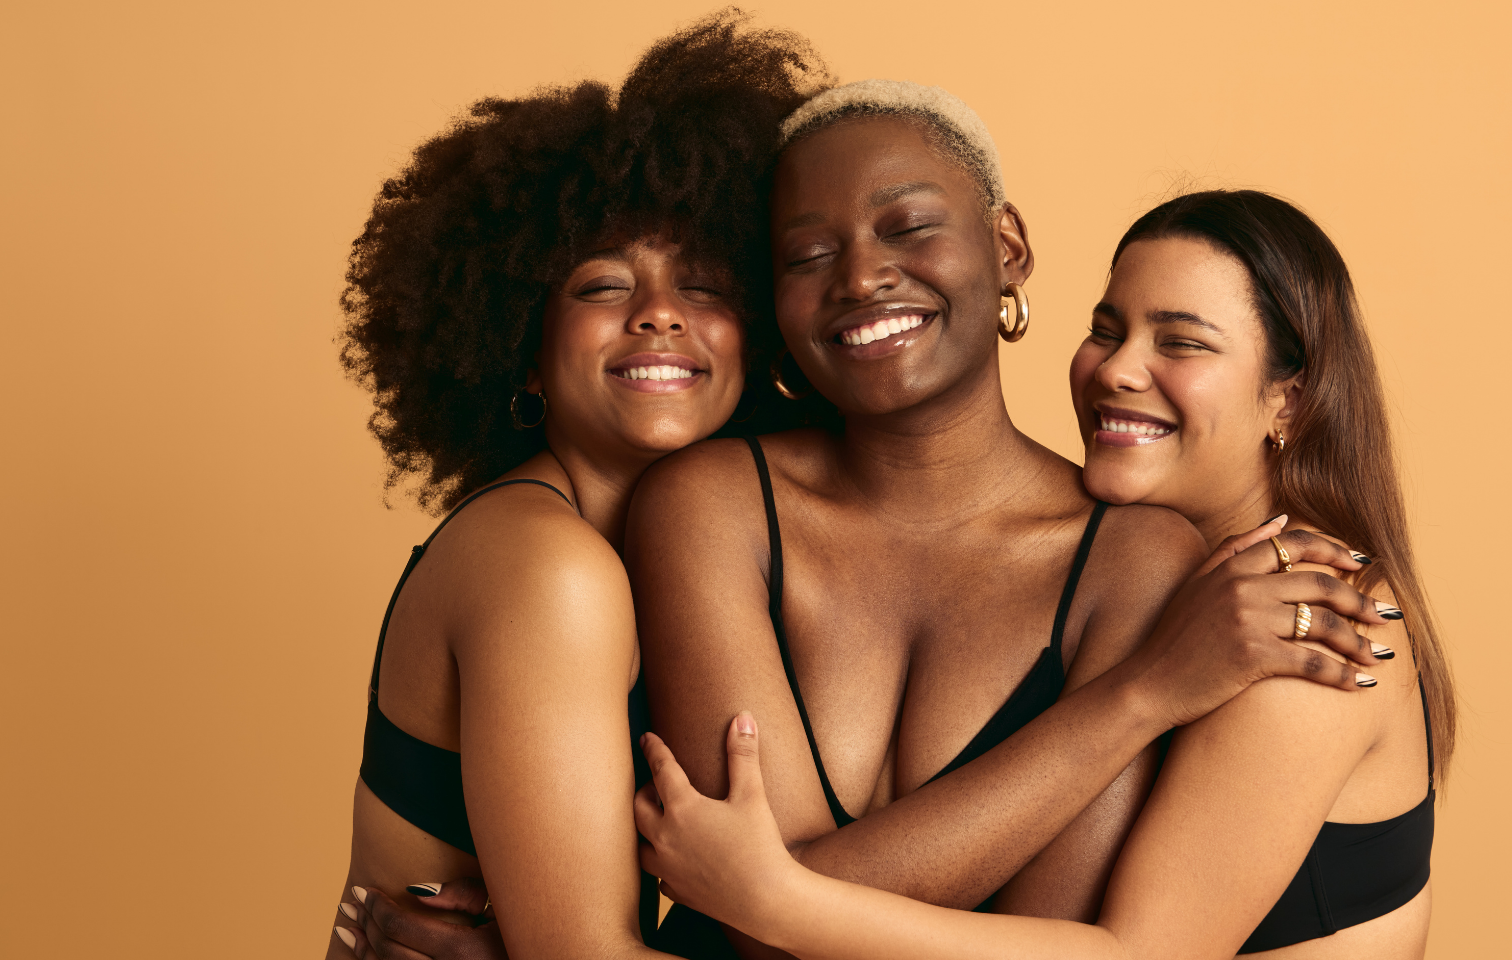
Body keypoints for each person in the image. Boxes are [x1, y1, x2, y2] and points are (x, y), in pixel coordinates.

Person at [338, 83, 1389, 960]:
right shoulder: (701, 507)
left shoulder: (1148, 561)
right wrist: (1136, 696)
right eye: (803, 254)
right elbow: (749, 934)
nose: (860, 275)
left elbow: (780, 909)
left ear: (1008, 247)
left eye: (909, 224)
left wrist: (758, 895)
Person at [635, 189, 1454, 959]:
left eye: (1181, 342)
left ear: (1290, 400)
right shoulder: (1182, 590)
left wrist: (777, 900)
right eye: (1108, 329)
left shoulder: (1318, 612)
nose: (1118, 370)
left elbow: (1137, 954)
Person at [321, 13, 832, 960]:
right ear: (521, 350)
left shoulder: (683, 547)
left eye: (707, 287)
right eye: (604, 286)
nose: (660, 316)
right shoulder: (547, 568)